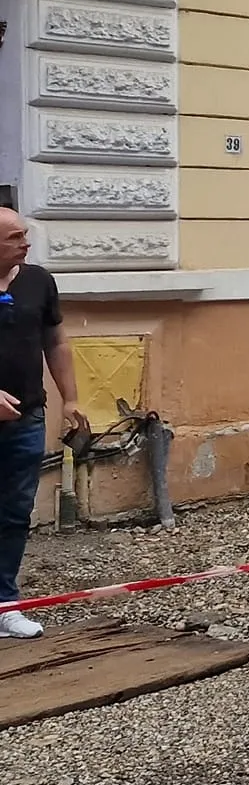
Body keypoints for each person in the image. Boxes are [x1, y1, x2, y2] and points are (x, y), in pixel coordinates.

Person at [0, 210, 89, 639]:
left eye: (25, 234)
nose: (26, 243)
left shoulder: (38, 281)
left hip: (26, 419)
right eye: (15, 237)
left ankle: (6, 604)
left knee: (15, 513)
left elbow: (56, 341)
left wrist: (70, 398)